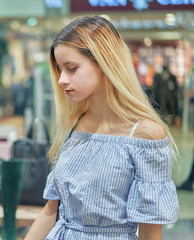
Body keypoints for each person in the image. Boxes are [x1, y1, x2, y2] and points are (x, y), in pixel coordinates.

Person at [24, 15, 179, 240]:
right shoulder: (74, 125)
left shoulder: (145, 134)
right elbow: (51, 211)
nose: (61, 80)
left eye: (72, 68)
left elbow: (151, 229)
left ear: (104, 62)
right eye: (60, 70)